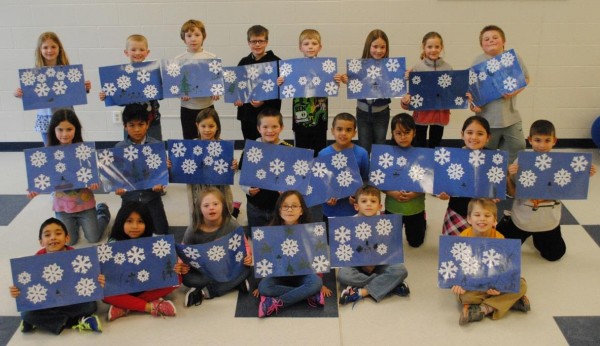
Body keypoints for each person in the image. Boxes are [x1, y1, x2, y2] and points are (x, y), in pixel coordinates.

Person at [498, 120, 597, 261]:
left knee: (555, 254)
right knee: (498, 248)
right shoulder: (521, 162)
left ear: (554, 141)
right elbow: (514, 194)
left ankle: (539, 236)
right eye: (537, 140)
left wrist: (585, 173)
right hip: (522, 218)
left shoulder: (562, 163)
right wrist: (509, 175)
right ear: (530, 140)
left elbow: (569, 189)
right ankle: (509, 221)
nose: (542, 145)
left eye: (547, 140)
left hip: (548, 220)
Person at [26, 110, 110, 245]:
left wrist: (95, 182)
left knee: (94, 238)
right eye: (60, 129)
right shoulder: (47, 154)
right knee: (70, 242)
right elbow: (43, 179)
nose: (64, 134)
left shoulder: (83, 151)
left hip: (85, 204)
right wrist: (35, 189)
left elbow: (93, 176)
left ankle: (102, 211)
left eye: (69, 129)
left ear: (76, 129)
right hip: (62, 207)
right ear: (53, 130)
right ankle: (75, 224)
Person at [9, 218, 102, 334]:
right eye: (47, 235)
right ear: (41, 242)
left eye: (58, 233)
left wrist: (97, 280)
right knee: (26, 313)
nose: (53, 237)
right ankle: (77, 321)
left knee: (91, 306)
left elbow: (88, 281)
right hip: (48, 302)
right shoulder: (35, 260)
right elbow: (29, 287)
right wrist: (18, 290)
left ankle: (38, 322)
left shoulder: (77, 257)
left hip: (71, 299)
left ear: (67, 238)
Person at [452, 198, 530, 325]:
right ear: (469, 219)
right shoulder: (463, 238)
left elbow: (505, 268)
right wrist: (458, 283)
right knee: (465, 296)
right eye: (477, 215)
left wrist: (498, 286)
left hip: (494, 281)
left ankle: (484, 309)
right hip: (475, 283)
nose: (482, 219)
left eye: (487, 215)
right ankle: (508, 301)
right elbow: (458, 266)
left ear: (494, 220)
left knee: (521, 285)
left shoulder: (500, 238)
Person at [103, 202, 182, 321]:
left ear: (147, 223)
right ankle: (150, 306)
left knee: (177, 278)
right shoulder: (112, 244)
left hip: (147, 285)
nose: (135, 226)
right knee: (102, 290)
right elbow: (108, 274)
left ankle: (126, 305)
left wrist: (174, 267)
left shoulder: (154, 240)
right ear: (121, 222)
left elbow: (164, 265)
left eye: (140, 221)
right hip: (123, 286)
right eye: (129, 221)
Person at [257, 191, 332, 317]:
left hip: (303, 274)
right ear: (279, 210)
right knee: (264, 287)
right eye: (285, 206)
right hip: (279, 275)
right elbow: (266, 259)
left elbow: (317, 258)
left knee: (316, 283)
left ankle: (274, 303)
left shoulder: (310, 231)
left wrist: (320, 281)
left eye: (294, 206)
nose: (289, 210)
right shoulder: (270, 231)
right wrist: (262, 276)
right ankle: (309, 295)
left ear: (301, 210)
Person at [14, 32, 91, 145]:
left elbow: (75, 93)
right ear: (40, 50)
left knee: (71, 149)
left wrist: (85, 88)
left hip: (66, 116)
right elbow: (31, 97)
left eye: (53, 46)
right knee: (51, 152)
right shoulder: (34, 73)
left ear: (59, 48)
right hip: (46, 118)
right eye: (45, 47)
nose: (49, 50)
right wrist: (19, 94)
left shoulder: (68, 71)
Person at [338, 185, 410, 305]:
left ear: (380, 206)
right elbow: (344, 252)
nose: (369, 204)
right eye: (364, 201)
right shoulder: (348, 224)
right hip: (356, 264)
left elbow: (391, 251)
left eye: (373, 201)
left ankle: (362, 292)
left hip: (380, 263)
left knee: (401, 270)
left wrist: (375, 261)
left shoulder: (386, 224)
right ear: (356, 206)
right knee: (343, 275)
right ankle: (390, 284)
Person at [181, 187, 252, 307]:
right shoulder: (193, 228)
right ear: (200, 209)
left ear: (223, 206)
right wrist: (182, 265)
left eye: (215, 204)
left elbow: (243, 243)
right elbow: (184, 250)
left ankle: (204, 292)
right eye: (206, 205)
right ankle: (234, 284)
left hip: (226, 266)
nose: (211, 208)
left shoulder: (231, 224)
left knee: (246, 269)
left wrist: (248, 256)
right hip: (204, 269)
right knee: (186, 278)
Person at [470, 25, 530, 164]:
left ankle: (508, 175)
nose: (491, 40)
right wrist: (473, 105)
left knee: (518, 146)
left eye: (495, 37)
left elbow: (526, 78)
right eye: (486, 39)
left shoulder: (513, 58)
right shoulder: (478, 62)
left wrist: (515, 91)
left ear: (504, 41)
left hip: (510, 116)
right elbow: (472, 89)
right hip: (486, 117)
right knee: (487, 151)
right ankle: (490, 177)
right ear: (482, 45)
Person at [278, 29, 342, 156]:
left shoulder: (326, 67)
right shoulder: (293, 68)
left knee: (319, 150)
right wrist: (281, 82)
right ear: (300, 47)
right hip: (300, 118)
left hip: (320, 118)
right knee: (302, 151)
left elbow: (332, 88)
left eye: (314, 43)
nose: (310, 47)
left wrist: (336, 82)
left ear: (320, 47)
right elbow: (285, 88)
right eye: (306, 44)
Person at [115, 103, 169, 235]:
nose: (137, 130)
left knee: (162, 232)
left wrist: (161, 183)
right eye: (131, 125)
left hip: (152, 197)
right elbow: (116, 176)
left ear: (148, 124)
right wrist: (117, 188)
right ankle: (103, 212)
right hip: (129, 198)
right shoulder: (119, 148)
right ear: (125, 126)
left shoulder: (156, 146)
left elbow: (161, 175)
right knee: (120, 234)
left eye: (141, 124)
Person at [99, 34, 163, 140]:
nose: (137, 53)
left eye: (141, 49)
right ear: (126, 52)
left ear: (147, 52)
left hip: (152, 121)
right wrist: (106, 96)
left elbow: (160, 96)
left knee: (155, 148)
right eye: (133, 49)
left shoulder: (154, 72)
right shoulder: (122, 75)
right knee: (131, 150)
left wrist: (162, 87)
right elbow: (121, 100)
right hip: (131, 122)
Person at [401, 32, 457, 148]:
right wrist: (406, 100)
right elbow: (412, 93)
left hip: (440, 114)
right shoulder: (417, 68)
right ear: (424, 47)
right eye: (430, 47)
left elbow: (451, 91)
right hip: (422, 113)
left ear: (441, 48)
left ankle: (433, 165)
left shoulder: (448, 68)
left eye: (437, 47)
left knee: (435, 144)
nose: (433, 50)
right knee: (419, 143)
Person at [186, 108, 240, 229]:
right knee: (201, 219)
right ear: (197, 126)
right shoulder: (191, 145)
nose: (207, 130)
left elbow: (230, 170)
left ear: (217, 127)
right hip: (198, 190)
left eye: (211, 126)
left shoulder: (223, 146)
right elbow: (183, 168)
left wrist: (234, 166)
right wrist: (172, 164)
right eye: (203, 126)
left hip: (220, 190)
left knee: (222, 220)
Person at [239, 108, 293, 228]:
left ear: (282, 127)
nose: (270, 131)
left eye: (274, 126)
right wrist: (247, 189)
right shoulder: (250, 149)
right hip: (255, 206)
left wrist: (288, 189)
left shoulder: (289, 150)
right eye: (265, 127)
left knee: (278, 238)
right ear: (258, 128)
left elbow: (295, 177)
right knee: (257, 238)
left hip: (279, 206)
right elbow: (241, 173)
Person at [340, 29, 392, 153]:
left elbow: (394, 86)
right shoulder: (358, 66)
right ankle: (365, 171)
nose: (378, 50)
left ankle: (378, 171)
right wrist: (346, 79)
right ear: (368, 46)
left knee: (380, 145)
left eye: (382, 47)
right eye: (375, 46)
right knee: (364, 146)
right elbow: (354, 84)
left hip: (382, 113)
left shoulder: (390, 67)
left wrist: (403, 76)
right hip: (362, 112)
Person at [439, 115, 491, 236]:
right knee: (454, 248)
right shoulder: (452, 156)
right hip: (457, 210)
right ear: (462, 134)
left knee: (479, 249)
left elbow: (496, 186)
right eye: (469, 132)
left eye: (480, 133)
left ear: (488, 137)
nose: (474, 137)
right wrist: (442, 193)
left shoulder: (494, 159)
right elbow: (443, 185)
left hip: (483, 213)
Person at [384, 113, 427, 247]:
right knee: (390, 244)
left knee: (415, 243)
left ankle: (423, 221)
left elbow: (429, 182)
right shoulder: (385, 155)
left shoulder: (422, 155)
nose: (403, 137)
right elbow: (378, 181)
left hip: (415, 207)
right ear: (392, 134)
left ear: (414, 133)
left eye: (407, 132)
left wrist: (416, 193)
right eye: (398, 133)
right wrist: (391, 193)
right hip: (393, 206)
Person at [319, 113, 370, 221]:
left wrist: (358, 195)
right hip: (330, 211)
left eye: (348, 130)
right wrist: (325, 196)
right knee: (330, 237)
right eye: (339, 129)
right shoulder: (323, 154)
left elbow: (366, 180)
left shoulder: (362, 154)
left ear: (354, 133)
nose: (343, 133)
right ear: (332, 131)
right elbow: (319, 182)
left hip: (355, 211)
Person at [235, 25, 282, 140]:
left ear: (266, 42)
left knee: (268, 146)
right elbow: (238, 85)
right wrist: (237, 98)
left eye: (261, 41)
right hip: (247, 114)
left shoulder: (276, 62)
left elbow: (281, 89)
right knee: (250, 146)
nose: (257, 44)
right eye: (254, 41)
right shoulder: (243, 62)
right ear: (248, 42)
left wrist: (264, 100)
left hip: (268, 114)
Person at [176, 19, 219, 139]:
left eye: (197, 35)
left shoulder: (212, 58)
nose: (193, 39)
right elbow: (175, 85)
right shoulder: (178, 60)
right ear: (183, 38)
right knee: (189, 139)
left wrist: (216, 91)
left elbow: (216, 80)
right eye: (189, 36)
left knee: (209, 138)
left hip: (207, 107)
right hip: (187, 107)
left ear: (203, 37)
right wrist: (180, 93)